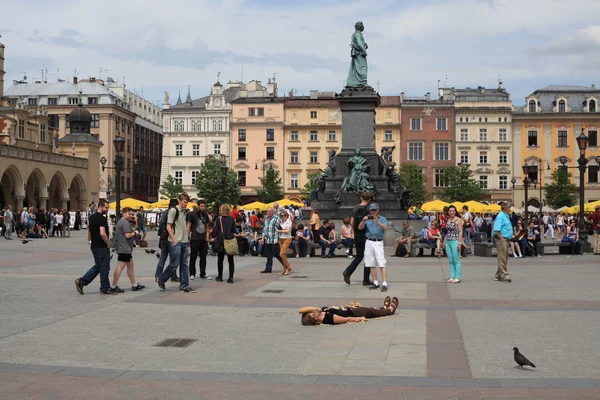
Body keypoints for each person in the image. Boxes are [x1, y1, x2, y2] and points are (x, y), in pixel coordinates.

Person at [74, 199, 114, 295]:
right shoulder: (101, 218)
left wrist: (89, 239)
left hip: (94, 246)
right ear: (100, 206)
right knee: (104, 267)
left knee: (98, 266)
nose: (107, 209)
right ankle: (104, 288)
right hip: (102, 246)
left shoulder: (91, 217)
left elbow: (90, 230)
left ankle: (82, 282)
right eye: (106, 207)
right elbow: (102, 233)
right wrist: (108, 243)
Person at [157, 193, 194, 293]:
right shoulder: (174, 210)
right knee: (174, 264)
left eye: (187, 202)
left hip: (184, 241)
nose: (186, 204)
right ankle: (162, 279)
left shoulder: (184, 212)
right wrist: (174, 239)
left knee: (184, 264)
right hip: (176, 241)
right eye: (184, 202)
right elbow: (168, 226)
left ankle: (184, 285)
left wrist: (187, 238)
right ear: (179, 200)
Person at [300, 296, 399, 325]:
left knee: (372, 310)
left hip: (351, 309)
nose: (313, 313)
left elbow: (313, 309)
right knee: (372, 312)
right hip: (354, 313)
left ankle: (384, 307)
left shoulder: (320, 311)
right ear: (314, 319)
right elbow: (345, 319)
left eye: (311, 313)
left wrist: (309, 310)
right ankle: (390, 310)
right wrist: (359, 319)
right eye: (312, 315)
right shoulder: (327, 318)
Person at [111, 207, 145, 292]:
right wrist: (135, 233)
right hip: (124, 249)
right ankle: (113, 286)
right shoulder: (125, 222)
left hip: (125, 248)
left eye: (132, 214)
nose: (131, 216)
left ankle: (134, 285)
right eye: (129, 214)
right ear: (124, 213)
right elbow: (127, 235)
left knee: (130, 266)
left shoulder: (121, 222)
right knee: (120, 267)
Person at [343, 192, 372, 286]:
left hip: (357, 235)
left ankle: (348, 271)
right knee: (368, 257)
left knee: (359, 256)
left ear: (361, 198)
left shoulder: (355, 208)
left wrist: (355, 231)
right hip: (366, 235)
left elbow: (352, 222)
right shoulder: (369, 209)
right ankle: (366, 280)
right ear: (369, 199)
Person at [359, 203, 389, 292]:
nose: (373, 212)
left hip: (378, 242)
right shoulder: (368, 219)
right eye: (372, 210)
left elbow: (385, 228)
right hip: (369, 241)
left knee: (381, 262)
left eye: (375, 210)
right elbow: (360, 228)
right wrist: (363, 220)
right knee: (370, 262)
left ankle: (384, 283)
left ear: (378, 210)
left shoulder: (382, 219)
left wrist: (377, 222)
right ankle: (375, 282)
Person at [155, 200, 179, 283]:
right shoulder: (175, 213)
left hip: (163, 237)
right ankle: (173, 276)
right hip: (171, 238)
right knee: (173, 259)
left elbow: (161, 224)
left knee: (163, 257)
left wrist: (160, 234)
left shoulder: (165, 213)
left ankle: (158, 276)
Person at [187, 200, 211, 280]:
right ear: (198, 206)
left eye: (204, 206)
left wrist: (207, 237)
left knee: (203, 257)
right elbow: (188, 226)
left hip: (203, 239)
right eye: (201, 206)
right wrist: (187, 237)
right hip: (194, 238)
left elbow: (207, 226)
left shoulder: (205, 215)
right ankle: (192, 273)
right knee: (193, 257)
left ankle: (203, 273)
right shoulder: (192, 215)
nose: (203, 208)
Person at [214, 204, 236, 283]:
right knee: (230, 260)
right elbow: (234, 230)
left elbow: (216, 231)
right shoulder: (231, 219)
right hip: (229, 240)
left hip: (221, 241)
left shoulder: (218, 219)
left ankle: (220, 276)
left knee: (220, 259)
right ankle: (231, 277)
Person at [493, 202, 513, 283]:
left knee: (504, 258)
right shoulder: (500, 216)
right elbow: (497, 229)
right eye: (509, 207)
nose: (510, 208)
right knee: (502, 258)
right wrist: (502, 238)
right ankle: (504, 275)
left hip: (506, 239)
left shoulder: (506, 216)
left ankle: (498, 275)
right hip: (502, 239)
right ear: (505, 208)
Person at [443, 206, 463, 283]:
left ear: (455, 212)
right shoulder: (448, 219)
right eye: (450, 211)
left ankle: (457, 277)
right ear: (448, 212)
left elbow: (460, 231)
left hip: (455, 241)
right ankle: (452, 276)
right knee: (450, 260)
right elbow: (447, 232)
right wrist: (444, 241)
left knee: (456, 260)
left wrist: (460, 242)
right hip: (448, 240)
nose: (451, 212)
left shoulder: (458, 220)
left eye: (453, 211)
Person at [260, 207, 284, 273]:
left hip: (274, 239)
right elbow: (264, 229)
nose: (269, 213)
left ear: (273, 212)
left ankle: (285, 265)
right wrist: (262, 238)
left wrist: (280, 235)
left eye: (270, 211)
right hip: (267, 239)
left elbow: (282, 226)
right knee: (268, 254)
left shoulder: (277, 218)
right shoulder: (266, 219)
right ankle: (268, 268)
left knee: (276, 253)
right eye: (268, 211)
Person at [276, 209, 293, 275]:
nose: (283, 217)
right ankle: (284, 269)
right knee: (283, 254)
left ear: (287, 215)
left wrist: (279, 231)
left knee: (282, 254)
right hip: (281, 238)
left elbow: (287, 231)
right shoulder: (281, 222)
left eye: (284, 215)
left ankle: (288, 267)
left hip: (287, 238)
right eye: (282, 216)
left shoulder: (288, 221)